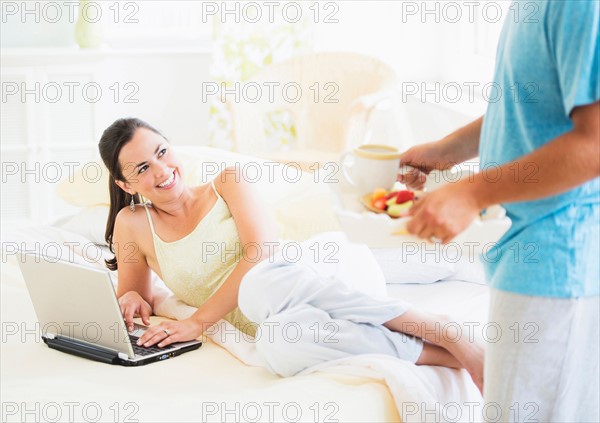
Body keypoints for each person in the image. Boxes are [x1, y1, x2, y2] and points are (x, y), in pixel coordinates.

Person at [98, 117, 484, 391]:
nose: (163, 170)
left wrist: (198, 322)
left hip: (318, 275)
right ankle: (445, 355)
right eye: (143, 168)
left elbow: (262, 251)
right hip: (279, 319)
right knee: (278, 347)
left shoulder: (228, 181)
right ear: (124, 183)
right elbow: (134, 295)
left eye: (163, 152)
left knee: (258, 284)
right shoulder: (133, 224)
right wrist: (132, 298)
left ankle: (442, 327)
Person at [399, 2, 599, 421]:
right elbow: (531, 107)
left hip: (558, 264)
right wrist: (445, 152)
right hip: (526, 252)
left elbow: (593, 144)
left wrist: (471, 193)